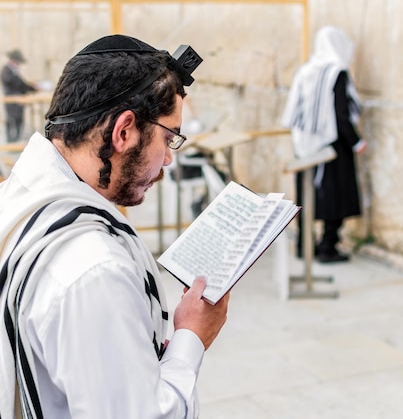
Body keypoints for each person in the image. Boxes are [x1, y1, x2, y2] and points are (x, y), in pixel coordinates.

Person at [0, 34, 229, 419]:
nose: (168, 160)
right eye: (169, 137)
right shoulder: (93, 269)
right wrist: (192, 336)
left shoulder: (15, 196)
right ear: (124, 131)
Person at [281, 25, 367, 263]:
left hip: (304, 143)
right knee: (337, 195)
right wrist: (356, 141)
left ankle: (303, 245)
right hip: (332, 144)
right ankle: (328, 246)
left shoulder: (305, 70)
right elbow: (341, 114)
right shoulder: (337, 72)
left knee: (306, 194)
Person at [1, 48, 37, 142]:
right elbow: (17, 83)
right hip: (12, 101)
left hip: (17, 101)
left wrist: (32, 88)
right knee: (11, 121)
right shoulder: (6, 71)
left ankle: (15, 141)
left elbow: (21, 84)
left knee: (18, 121)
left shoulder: (12, 72)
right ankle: (11, 142)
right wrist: (30, 88)